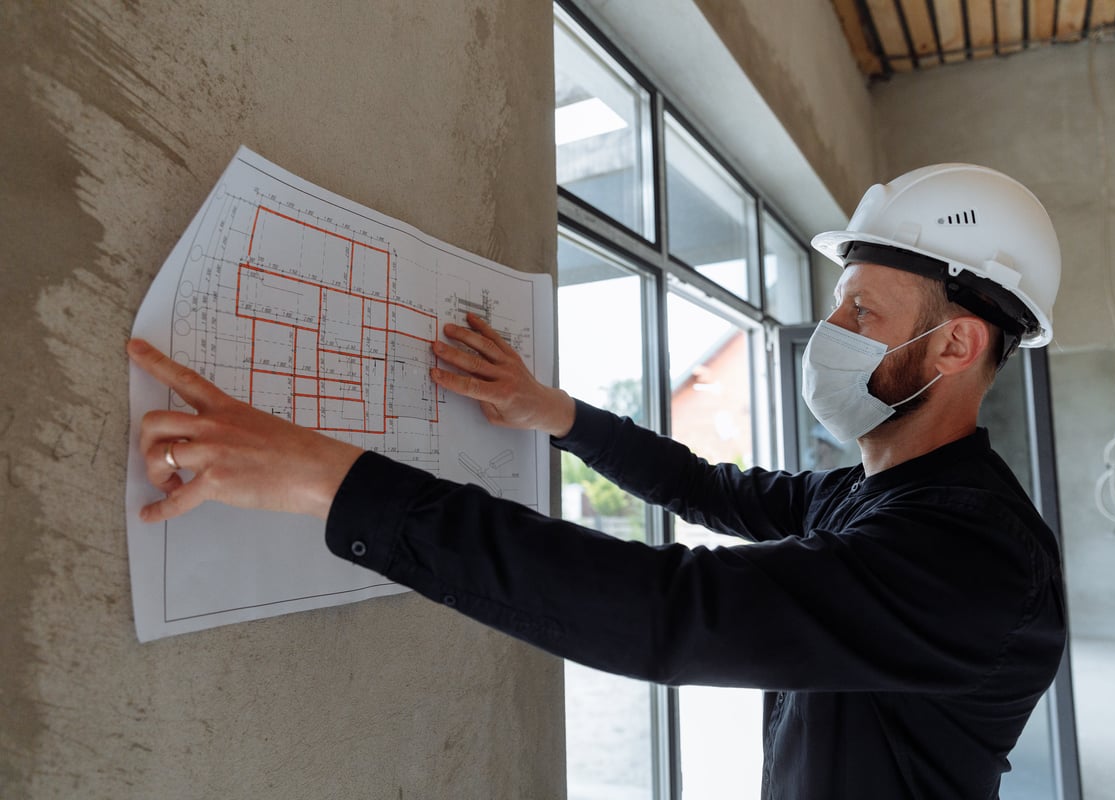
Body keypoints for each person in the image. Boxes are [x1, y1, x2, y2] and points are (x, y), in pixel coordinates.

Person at [130, 163, 1066, 799]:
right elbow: (709, 488)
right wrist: (556, 413)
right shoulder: (870, 496)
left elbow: (669, 613)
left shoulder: (971, 556)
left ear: (953, 342)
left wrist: (337, 481)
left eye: (861, 310)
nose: (830, 330)